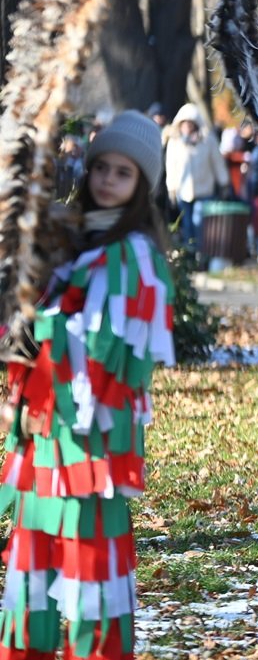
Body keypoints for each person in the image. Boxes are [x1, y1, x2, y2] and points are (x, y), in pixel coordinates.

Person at [0, 110, 175, 657]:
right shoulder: (67, 241)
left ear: (141, 185)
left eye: (122, 173)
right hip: (44, 429)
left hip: (92, 438)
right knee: (37, 549)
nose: (106, 180)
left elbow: (107, 344)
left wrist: (39, 330)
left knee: (88, 556)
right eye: (101, 167)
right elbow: (33, 307)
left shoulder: (136, 256)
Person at [164, 102, 229, 251]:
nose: (187, 126)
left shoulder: (208, 141)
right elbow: (171, 167)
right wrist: (171, 189)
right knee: (187, 224)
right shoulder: (174, 143)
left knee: (199, 222)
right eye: (184, 123)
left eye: (190, 123)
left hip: (204, 190)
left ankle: (203, 254)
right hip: (183, 192)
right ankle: (191, 254)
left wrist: (224, 183)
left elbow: (217, 163)